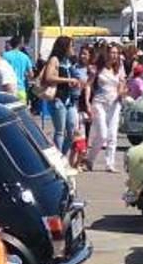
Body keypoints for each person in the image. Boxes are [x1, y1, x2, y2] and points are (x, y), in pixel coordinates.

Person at [87, 44, 126, 173]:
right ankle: (90, 159)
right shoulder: (98, 68)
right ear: (107, 53)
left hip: (114, 104)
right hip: (99, 103)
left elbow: (122, 83)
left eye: (116, 53)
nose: (114, 55)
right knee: (102, 134)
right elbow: (88, 85)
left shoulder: (119, 68)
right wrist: (87, 102)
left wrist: (121, 93)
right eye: (112, 52)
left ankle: (110, 163)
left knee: (112, 135)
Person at [41, 36, 80, 154]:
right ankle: (59, 157)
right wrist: (68, 80)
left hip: (70, 100)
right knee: (60, 131)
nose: (73, 48)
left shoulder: (69, 61)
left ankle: (62, 155)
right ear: (65, 47)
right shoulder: (55, 60)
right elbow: (48, 77)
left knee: (72, 131)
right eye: (71, 46)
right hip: (58, 99)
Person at [2, 36, 33, 102]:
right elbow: (31, 74)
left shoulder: (5, 55)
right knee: (20, 110)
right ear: (20, 44)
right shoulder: (25, 57)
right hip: (21, 88)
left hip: (8, 88)